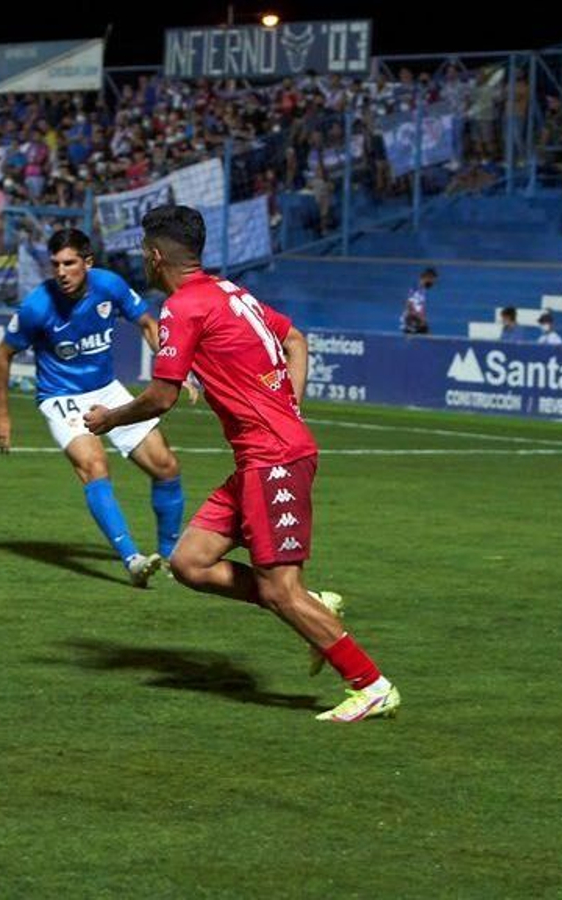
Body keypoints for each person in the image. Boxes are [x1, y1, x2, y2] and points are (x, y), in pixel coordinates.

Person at [84, 205, 400, 723]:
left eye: (144, 249)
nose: (142, 257)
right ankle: (312, 604)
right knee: (190, 562)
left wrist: (110, 419)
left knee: (279, 590)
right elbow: (295, 338)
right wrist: (290, 406)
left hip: (272, 457)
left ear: (155, 254)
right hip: (262, 454)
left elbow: (163, 397)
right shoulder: (231, 292)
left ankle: (371, 683)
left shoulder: (183, 308)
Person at [0, 228, 186, 587]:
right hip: (61, 396)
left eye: (69, 263)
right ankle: (133, 560)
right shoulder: (37, 306)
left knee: (166, 466)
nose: (61, 272)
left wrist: (175, 366)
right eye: (55, 265)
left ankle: (171, 558)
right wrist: (1, 414)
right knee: (95, 465)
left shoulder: (109, 285)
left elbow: (146, 323)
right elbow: (3, 355)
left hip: (107, 390)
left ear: (87, 262)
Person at [401, 267, 435, 334]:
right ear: (427, 278)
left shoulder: (423, 290)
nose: (433, 283)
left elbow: (420, 307)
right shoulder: (415, 288)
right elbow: (408, 304)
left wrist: (423, 319)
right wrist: (419, 318)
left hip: (418, 321)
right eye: (432, 280)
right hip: (411, 322)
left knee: (427, 340)